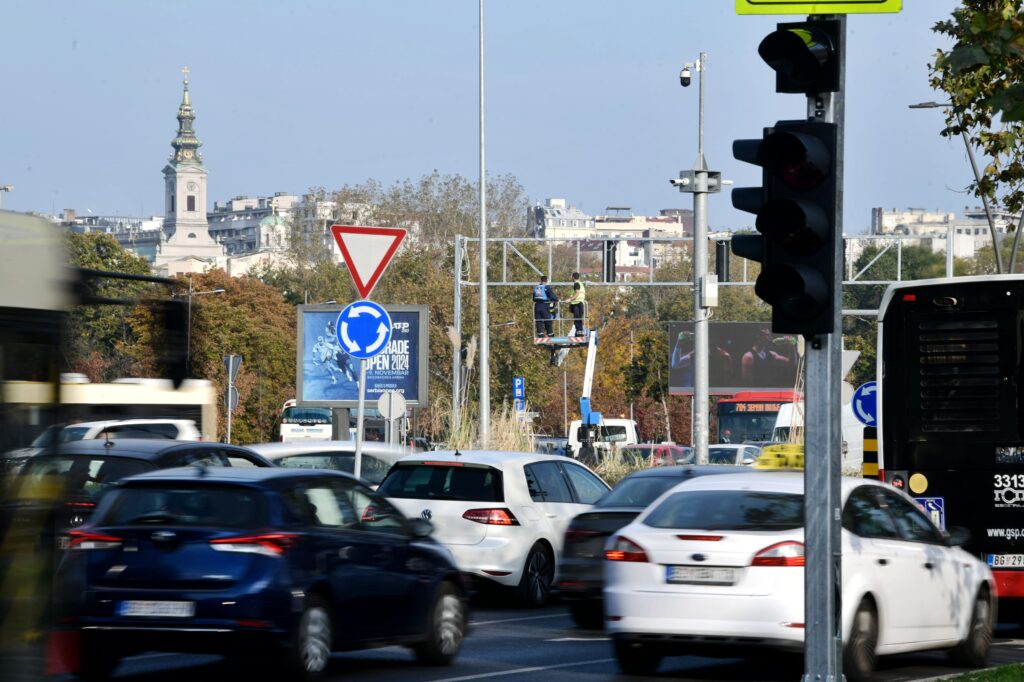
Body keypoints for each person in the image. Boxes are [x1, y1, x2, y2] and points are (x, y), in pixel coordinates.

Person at [565, 271, 586, 336]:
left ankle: (578, 332)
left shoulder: (576, 284)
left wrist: (569, 299)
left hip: (576, 303)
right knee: (579, 318)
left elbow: (577, 293)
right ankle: (580, 331)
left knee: (577, 318)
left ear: (573, 277)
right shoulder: (581, 284)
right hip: (580, 302)